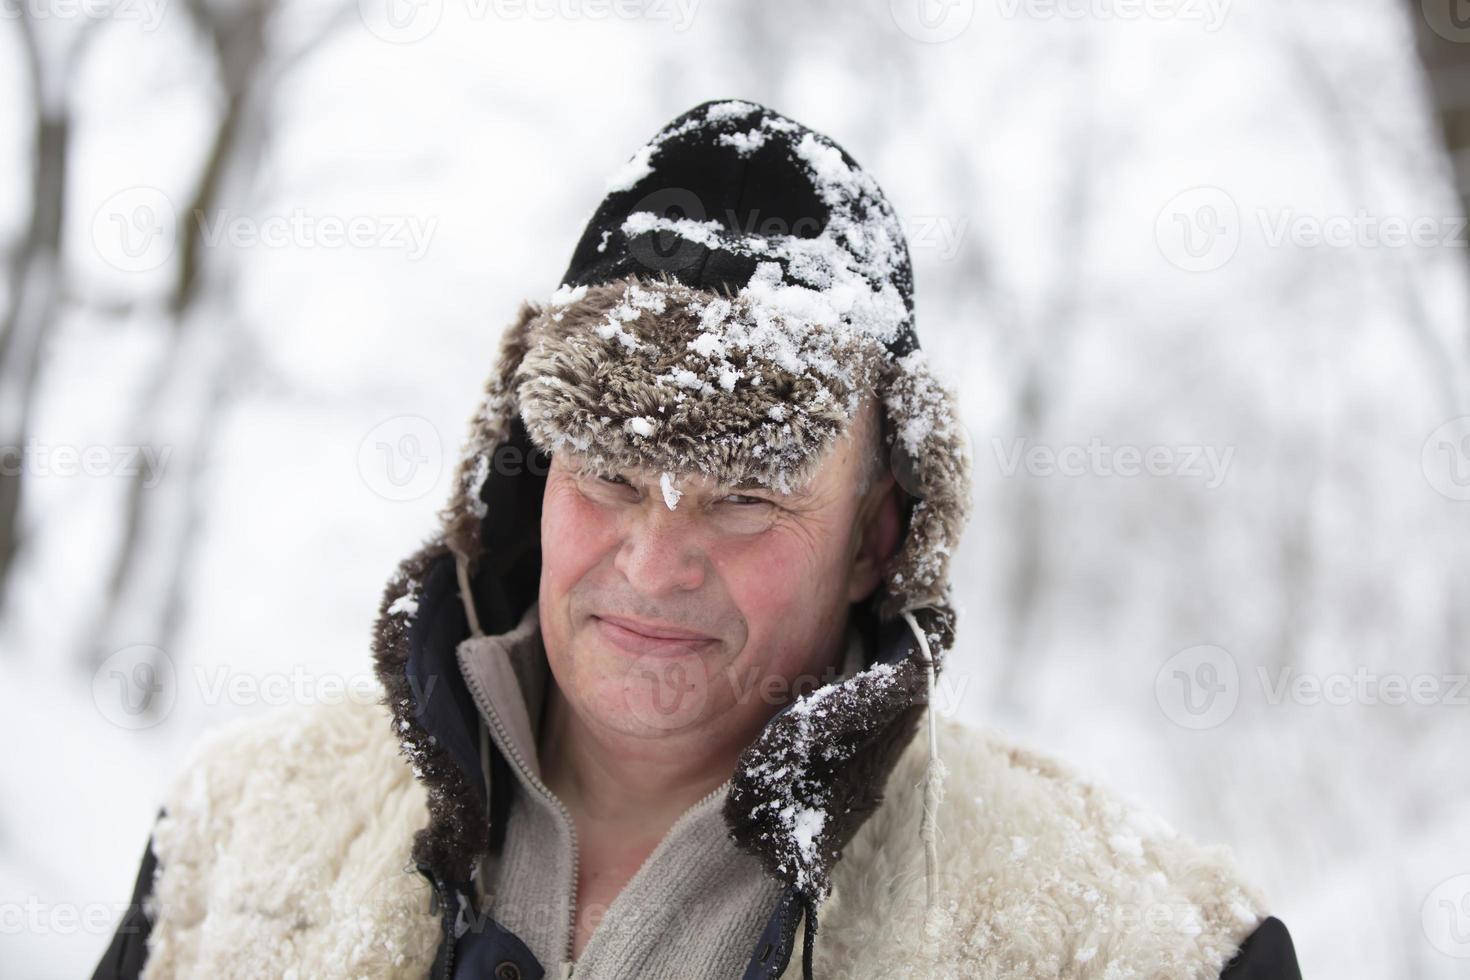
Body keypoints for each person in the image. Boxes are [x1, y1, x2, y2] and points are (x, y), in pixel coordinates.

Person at [92, 99, 1302, 979]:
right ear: (537, 470)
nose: (654, 560)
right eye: (611, 473)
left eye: (745, 496)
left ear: (879, 537)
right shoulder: (237, 831)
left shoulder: (1135, 947)